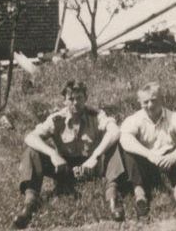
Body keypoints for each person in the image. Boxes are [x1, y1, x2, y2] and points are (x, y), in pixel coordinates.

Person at [14, 81, 125, 229]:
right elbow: (30, 137)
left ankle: (112, 199)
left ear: (86, 98)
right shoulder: (57, 119)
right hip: (64, 168)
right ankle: (29, 204)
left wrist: (95, 157)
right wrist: (53, 154)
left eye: (79, 98)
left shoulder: (96, 115)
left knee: (114, 147)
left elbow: (115, 131)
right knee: (32, 151)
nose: (75, 103)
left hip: (92, 165)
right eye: (71, 99)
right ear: (64, 100)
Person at [119, 82, 176, 216]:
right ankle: (140, 197)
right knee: (129, 152)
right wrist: (149, 155)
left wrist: (175, 155)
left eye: (154, 100)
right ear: (139, 103)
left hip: (171, 162)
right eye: (145, 102)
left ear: (161, 99)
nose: (150, 105)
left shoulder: (173, 116)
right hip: (147, 163)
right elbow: (125, 139)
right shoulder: (135, 119)